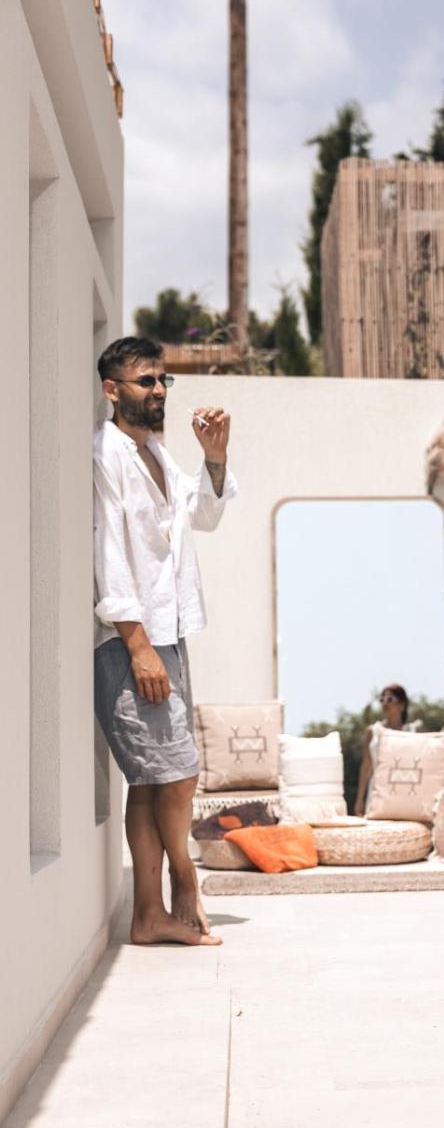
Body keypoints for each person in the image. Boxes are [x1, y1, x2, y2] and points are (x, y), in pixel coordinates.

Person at [93, 336, 237, 946]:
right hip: (132, 640)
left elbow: (203, 515)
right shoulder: (106, 454)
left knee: (155, 779)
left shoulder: (153, 450)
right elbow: (109, 552)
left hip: (167, 633)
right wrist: (138, 645)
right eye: (146, 381)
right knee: (177, 775)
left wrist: (215, 458)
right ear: (112, 390)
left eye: (162, 380)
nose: (158, 391)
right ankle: (185, 878)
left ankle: (149, 916)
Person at [353, 684, 422, 815]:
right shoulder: (373, 732)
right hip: (377, 793)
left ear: (402, 705)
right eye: (382, 699)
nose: (385, 703)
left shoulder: (413, 731)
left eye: (390, 699)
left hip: (406, 791)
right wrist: (359, 800)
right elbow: (366, 767)